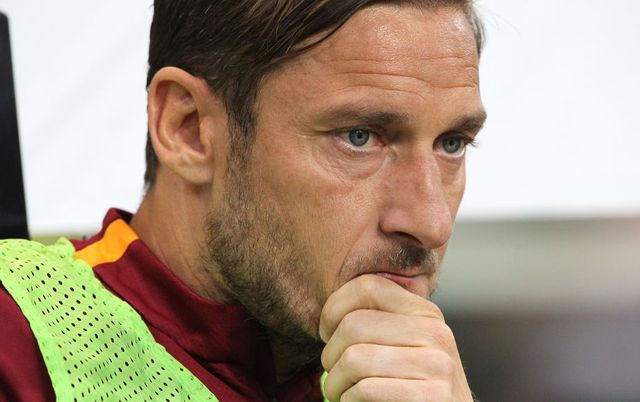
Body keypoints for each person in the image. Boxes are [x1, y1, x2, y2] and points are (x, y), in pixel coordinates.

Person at [0, 0, 486, 400]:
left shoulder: (412, 380)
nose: (432, 223)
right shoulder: (15, 341)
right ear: (188, 129)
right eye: (359, 136)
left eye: (452, 143)